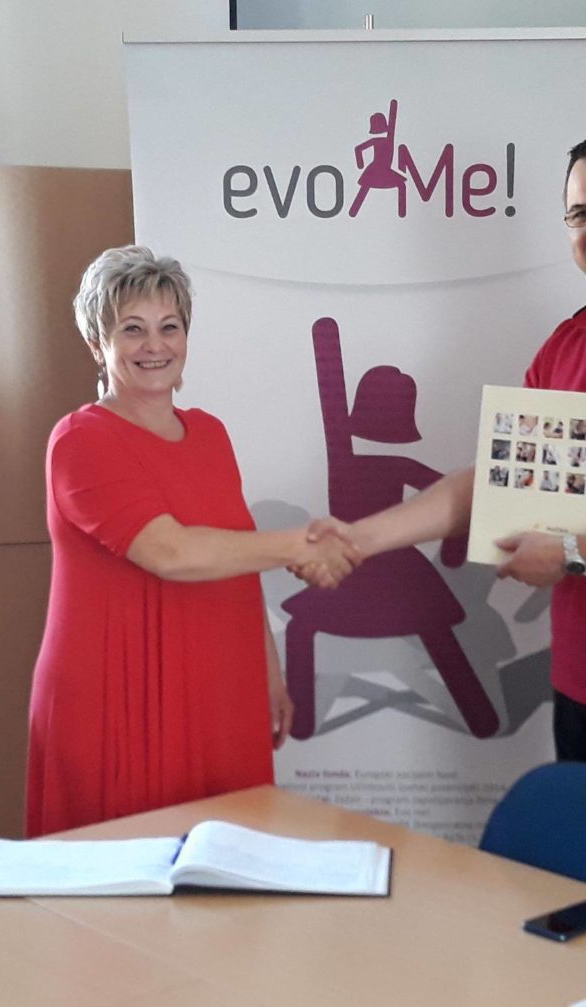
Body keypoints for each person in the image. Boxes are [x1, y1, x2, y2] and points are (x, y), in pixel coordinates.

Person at [301, 131, 586, 925]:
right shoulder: (567, 344)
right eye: (580, 213)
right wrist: (360, 539)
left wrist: (573, 552)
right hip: (582, 672)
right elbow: (496, 483)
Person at [26, 245, 356, 837]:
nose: (155, 345)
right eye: (132, 329)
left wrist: (268, 670)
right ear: (98, 344)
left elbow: (234, 555)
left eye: (169, 326)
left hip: (220, 689)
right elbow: (171, 553)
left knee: (229, 864)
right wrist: (304, 544)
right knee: (127, 872)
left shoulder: (209, 433)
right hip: (120, 698)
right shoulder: (80, 440)